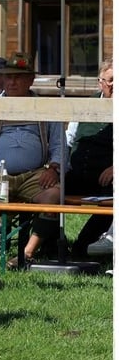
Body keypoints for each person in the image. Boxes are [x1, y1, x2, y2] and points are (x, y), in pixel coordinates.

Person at [0, 53, 65, 269]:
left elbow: (60, 144)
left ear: (30, 80)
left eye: (19, 77)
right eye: (9, 77)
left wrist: (54, 168)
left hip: (34, 174)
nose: (13, 81)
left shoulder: (44, 107)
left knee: (54, 195)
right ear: (2, 80)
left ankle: (27, 253)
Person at [65, 59, 113, 259]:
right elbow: (68, 140)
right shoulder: (85, 106)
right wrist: (55, 168)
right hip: (77, 174)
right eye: (110, 80)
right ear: (100, 82)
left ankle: (85, 246)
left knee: (113, 196)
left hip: (106, 180)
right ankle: (45, 244)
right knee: (48, 190)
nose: (114, 85)